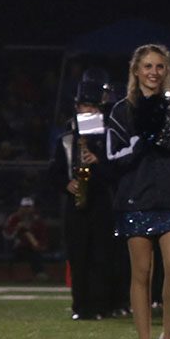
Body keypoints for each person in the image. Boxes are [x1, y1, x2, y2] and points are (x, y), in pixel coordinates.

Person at [107, 43, 170, 339]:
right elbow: (112, 158)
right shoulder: (122, 110)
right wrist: (140, 144)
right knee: (142, 274)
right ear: (136, 71)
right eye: (147, 66)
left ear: (167, 71)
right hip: (136, 199)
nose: (153, 72)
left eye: (159, 67)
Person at [49, 80, 116, 320]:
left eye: (92, 107)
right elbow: (54, 172)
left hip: (101, 201)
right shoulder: (66, 138)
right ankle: (80, 306)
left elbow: (117, 172)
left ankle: (99, 306)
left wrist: (98, 161)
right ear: (77, 107)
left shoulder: (109, 137)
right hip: (76, 202)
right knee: (78, 256)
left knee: (100, 255)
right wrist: (67, 184)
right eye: (84, 106)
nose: (88, 111)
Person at [2, 197, 48, 280]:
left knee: (35, 254)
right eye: (24, 207)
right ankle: (10, 277)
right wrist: (16, 228)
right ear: (20, 207)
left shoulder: (37, 220)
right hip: (17, 248)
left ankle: (40, 274)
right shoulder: (14, 218)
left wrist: (40, 245)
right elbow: (7, 235)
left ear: (33, 208)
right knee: (22, 253)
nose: (26, 209)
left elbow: (43, 236)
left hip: (33, 248)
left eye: (29, 207)